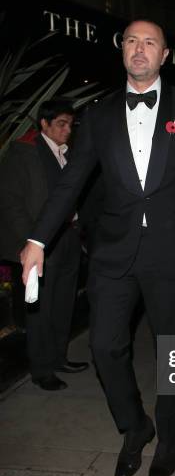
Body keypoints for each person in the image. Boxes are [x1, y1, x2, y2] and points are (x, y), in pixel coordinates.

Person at [20, 19, 175, 476]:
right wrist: (38, 239)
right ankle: (134, 426)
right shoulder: (99, 115)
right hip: (114, 253)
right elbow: (71, 184)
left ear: (165, 55)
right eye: (131, 42)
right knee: (105, 345)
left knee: (173, 354)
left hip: (174, 250)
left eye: (150, 43)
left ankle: (167, 437)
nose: (139, 49)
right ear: (121, 51)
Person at [0, 100, 89, 391]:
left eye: (70, 124)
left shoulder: (69, 154)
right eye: (61, 124)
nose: (67, 130)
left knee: (64, 303)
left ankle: (58, 357)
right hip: (40, 243)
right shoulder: (23, 153)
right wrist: (31, 240)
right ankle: (41, 369)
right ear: (44, 124)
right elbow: (11, 202)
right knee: (39, 308)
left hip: (69, 238)